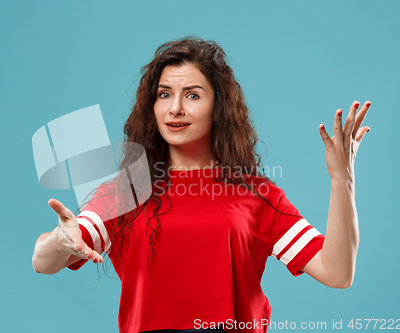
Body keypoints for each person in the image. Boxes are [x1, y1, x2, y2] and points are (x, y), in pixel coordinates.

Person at [31, 36, 370, 333]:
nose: (175, 108)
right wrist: (60, 240)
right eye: (165, 94)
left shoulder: (258, 196)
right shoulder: (126, 193)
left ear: (217, 107)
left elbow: (336, 272)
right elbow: (44, 262)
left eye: (192, 95)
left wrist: (343, 179)